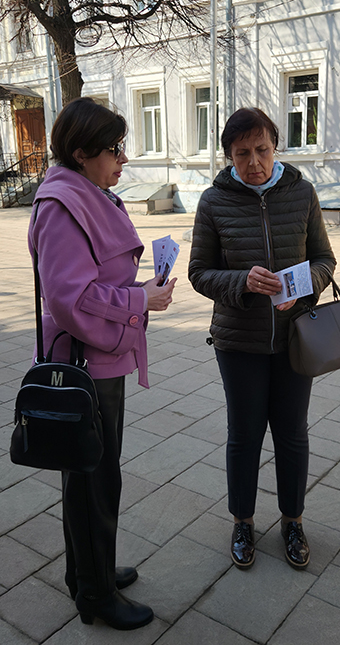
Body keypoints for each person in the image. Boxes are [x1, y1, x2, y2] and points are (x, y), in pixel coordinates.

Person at [28, 97, 176, 630]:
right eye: (115, 148)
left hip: (98, 357)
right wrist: (139, 300)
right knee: (94, 479)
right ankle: (95, 596)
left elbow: (94, 280)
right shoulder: (63, 204)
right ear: (81, 152)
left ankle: (88, 573)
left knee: (91, 474)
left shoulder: (84, 194)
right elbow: (69, 297)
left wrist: (139, 292)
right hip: (84, 364)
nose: (124, 158)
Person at [188, 107, 336, 571]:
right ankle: (243, 522)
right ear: (228, 155)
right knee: (244, 435)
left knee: (292, 434)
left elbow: (325, 260)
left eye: (262, 150)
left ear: (275, 146)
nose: (254, 162)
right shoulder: (214, 201)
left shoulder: (302, 193)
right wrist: (242, 282)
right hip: (239, 342)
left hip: (296, 338)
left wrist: (302, 288)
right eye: (241, 153)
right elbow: (199, 272)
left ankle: (293, 521)